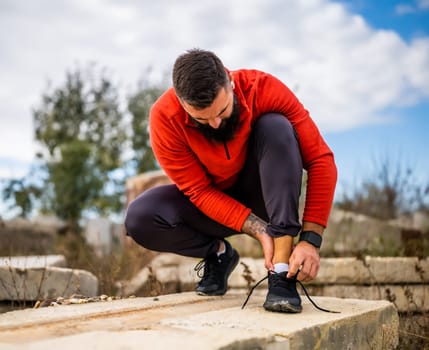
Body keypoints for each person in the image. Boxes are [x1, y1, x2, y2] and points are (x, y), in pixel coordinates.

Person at [124, 48, 337, 313]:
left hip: (265, 191)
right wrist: (259, 230)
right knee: (140, 218)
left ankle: (282, 276)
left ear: (231, 82)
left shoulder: (263, 88)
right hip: (211, 204)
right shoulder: (164, 118)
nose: (214, 124)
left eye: (222, 111)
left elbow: (321, 160)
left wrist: (310, 240)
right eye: (201, 119)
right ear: (181, 103)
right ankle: (219, 254)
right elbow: (198, 191)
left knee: (276, 126)